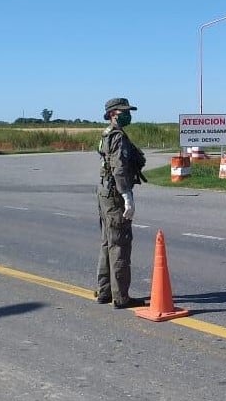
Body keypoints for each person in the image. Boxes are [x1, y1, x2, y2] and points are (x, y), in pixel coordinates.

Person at [95, 97, 146, 309]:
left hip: (105, 191)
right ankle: (121, 296)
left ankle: (105, 290)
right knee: (120, 244)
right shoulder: (117, 137)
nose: (128, 115)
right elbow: (119, 168)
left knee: (108, 242)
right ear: (113, 113)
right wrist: (127, 195)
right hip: (115, 193)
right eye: (124, 111)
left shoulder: (107, 134)